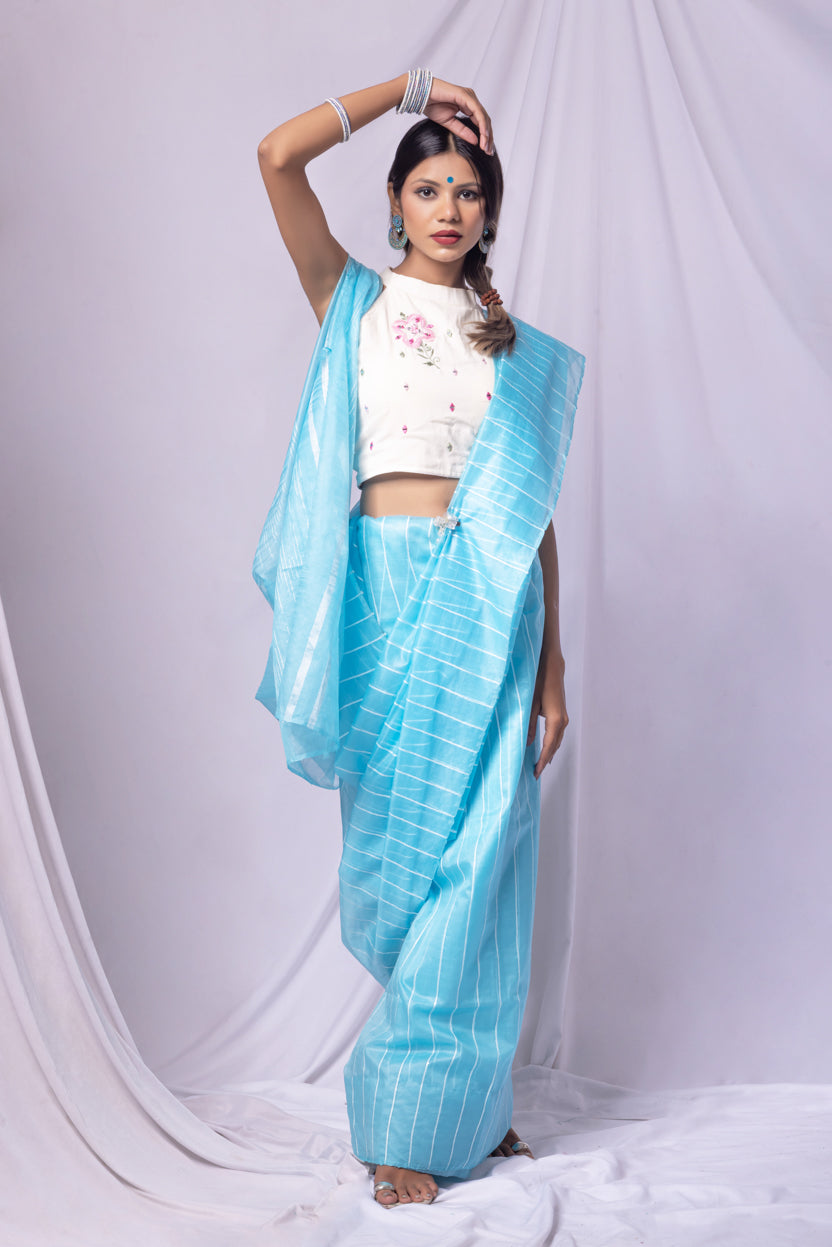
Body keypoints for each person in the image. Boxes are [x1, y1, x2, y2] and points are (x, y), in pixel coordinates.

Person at [253, 69, 585, 1209]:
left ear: (489, 215)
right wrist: (411, 89)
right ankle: (423, 1113)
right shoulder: (350, 298)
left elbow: (530, 515)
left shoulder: (511, 346)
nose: (449, 208)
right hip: (386, 593)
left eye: (469, 193)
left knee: (486, 859)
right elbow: (275, 157)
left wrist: (552, 664)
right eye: (429, 187)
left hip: (496, 602)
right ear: (395, 202)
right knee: (404, 867)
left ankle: (451, 1117)